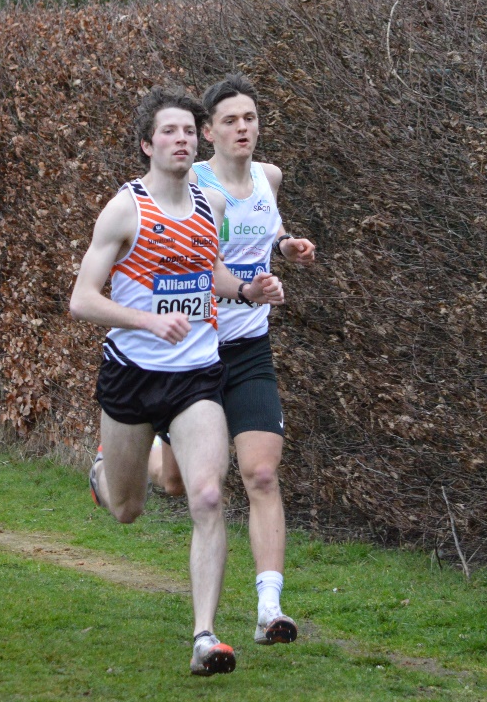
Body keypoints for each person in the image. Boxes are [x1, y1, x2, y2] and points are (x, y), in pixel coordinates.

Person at [69, 86, 284, 676]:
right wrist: (146, 319)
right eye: (170, 131)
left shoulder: (210, 205)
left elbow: (206, 269)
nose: (182, 139)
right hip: (132, 375)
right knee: (128, 508)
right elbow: (82, 300)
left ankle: (205, 636)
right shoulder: (125, 210)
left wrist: (244, 289)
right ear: (147, 143)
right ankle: (102, 476)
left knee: (209, 494)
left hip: (196, 376)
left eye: (190, 130)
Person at [147, 73, 316, 645]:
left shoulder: (268, 178)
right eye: (230, 121)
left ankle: (270, 609)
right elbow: (184, 262)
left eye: (250, 118)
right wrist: (240, 288)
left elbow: (265, 234)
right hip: (194, 350)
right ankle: (136, 448)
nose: (243, 128)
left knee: (261, 473)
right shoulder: (190, 183)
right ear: (208, 132)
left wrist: (287, 247)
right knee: (176, 484)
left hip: (247, 349)